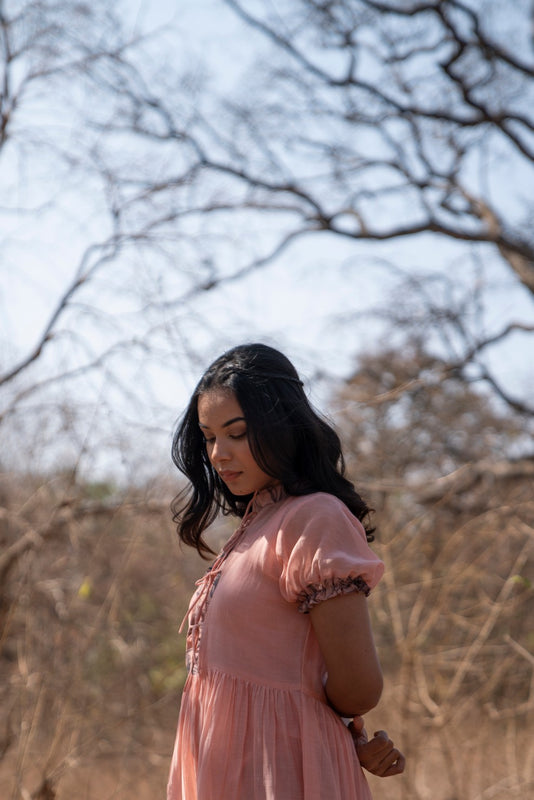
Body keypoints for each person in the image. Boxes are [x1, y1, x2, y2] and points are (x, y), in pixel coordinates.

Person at [167, 343, 404, 800]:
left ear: (282, 427)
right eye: (210, 437)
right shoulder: (256, 523)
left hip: (283, 772)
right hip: (229, 770)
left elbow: (359, 687)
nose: (218, 454)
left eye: (236, 433)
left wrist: (341, 729)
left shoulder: (315, 517)